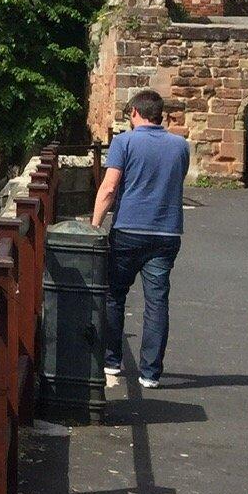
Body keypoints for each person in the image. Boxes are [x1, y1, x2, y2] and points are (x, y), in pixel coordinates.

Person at [90, 89, 191, 388]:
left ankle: (111, 361)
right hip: (167, 232)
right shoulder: (180, 145)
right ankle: (150, 373)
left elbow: (109, 188)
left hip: (129, 230)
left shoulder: (124, 142)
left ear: (135, 112)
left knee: (114, 294)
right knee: (157, 302)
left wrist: (95, 225)